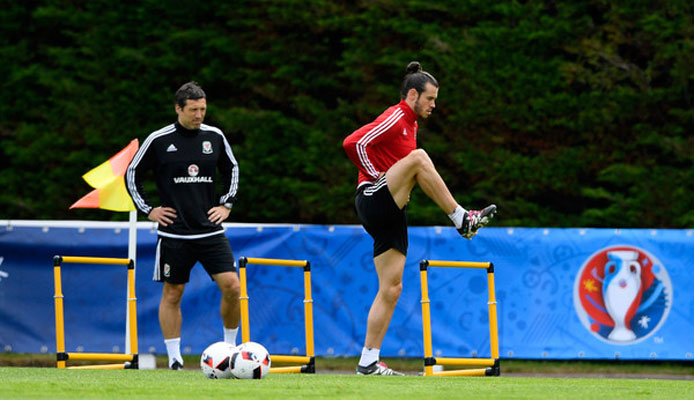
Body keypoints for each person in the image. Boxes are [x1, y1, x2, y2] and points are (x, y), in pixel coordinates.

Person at [343, 61, 497, 375]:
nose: (434, 105)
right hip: (372, 198)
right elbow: (353, 143)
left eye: (435, 99)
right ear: (412, 94)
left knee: (392, 288)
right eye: (429, 99)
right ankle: (461, 218)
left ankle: (368, 362)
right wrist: (376, 178)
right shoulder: (397, 115)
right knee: (420, 158)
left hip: (391, 209)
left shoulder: (411, 125)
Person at [126, 81, 241, 370]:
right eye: (193, 110)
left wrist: (226, 204)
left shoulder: (214, 136)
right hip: (174, 233)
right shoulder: (159, 139)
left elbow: (233, 169)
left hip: (211, 231)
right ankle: (175, 359)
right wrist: (149, 209)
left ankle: (230, 349)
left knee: (232, 286)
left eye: (203, 109)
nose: (199, 115)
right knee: (173, 292)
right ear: (178, 109)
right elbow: (132, 173)